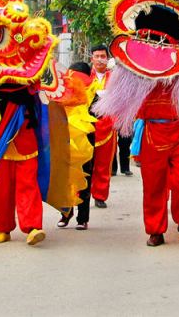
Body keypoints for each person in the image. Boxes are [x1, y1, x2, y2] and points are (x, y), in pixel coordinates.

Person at [56, 62, 97, 230]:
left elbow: (98, 113)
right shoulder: (62, 91)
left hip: (85, 139)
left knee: (83, 177)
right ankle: (66, 213)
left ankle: (82, 217)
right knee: (66, 178)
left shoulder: (94, 93)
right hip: (65, 138)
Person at [88, 44, 117, 208]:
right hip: (86, 125)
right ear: (91, 58)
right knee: (84, 162)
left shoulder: (114, 78)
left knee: (104, 163)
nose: (100, 59)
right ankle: (81, 194)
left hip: (107, 125)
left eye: (103, 56)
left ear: (108, 58)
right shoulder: (84, 75)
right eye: (97, 56)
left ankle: (99, 195)